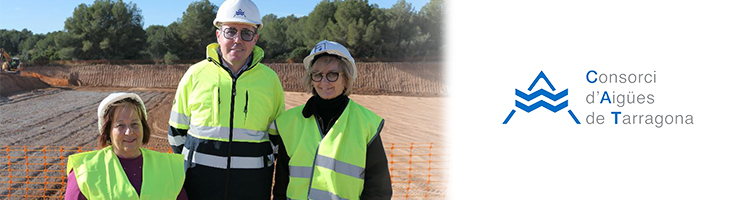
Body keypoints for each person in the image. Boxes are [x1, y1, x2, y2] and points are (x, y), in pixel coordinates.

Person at [167, 0, 285, 199]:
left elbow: (277, 139)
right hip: (199, 186)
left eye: (246, 33)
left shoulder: (270, 80)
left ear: (255, 38)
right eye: (230, 31)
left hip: (252, 188)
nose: (238, 39)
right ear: (218, 34)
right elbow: (176, 134)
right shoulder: (195, 74)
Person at [272, 40, 393, 200]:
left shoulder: (366, 124)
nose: (324, 82)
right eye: (317, 75)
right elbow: (281, 184)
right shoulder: (290, 122)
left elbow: (378, 190)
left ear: (346, 78)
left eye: (332, 74)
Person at [65, 92, 187, 200]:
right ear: (108, 131)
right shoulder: (84, 172)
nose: (129, 132)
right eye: (120, 125)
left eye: (134, 124)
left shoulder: (169, 168)